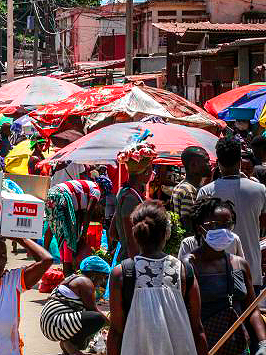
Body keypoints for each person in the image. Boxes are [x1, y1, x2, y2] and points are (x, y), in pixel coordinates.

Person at [107, 200, 208, 355]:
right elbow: (197, 329)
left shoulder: (121, 273)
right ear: (166, 233)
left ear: (136, 234)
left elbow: (115, 332)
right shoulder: (183, 271)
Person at [185, 198, 266, 355]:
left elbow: (251, 309)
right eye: (215, 225)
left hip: (238, 346)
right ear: (199, 227)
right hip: (203, 347)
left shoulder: (240, 264)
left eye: (227, 225)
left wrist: (263, 342)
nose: (223, 230)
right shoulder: (189, 265)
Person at [197, 136, 266, 290]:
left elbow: (200, 230)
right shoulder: (260, 190)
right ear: (240, 161)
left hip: (215, 271)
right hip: (251, 268)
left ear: (219, 163)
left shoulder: (205, 192)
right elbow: (263, 224)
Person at [40, 256, 110, 355]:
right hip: (54, 324)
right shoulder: (85, 282)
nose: (102, 281)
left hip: (49, 323)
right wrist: (113, 325)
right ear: (94, 274)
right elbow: (93, 310)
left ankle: (68, 345)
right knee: (97, 319)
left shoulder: (75, 278)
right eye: (102, 277)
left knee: (91, 321)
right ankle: (70, 345)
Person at [44, 179, 106, 275]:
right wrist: (83, 235)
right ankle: (67, 269)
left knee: (54, 226)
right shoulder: (96, 190)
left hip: (51, 193)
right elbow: (89, 212)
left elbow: (80, 216)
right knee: (69, 235)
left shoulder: (84, 192)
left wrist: (80, 234)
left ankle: (44, 256)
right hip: (62, 195)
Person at [113, 141, 157, 261]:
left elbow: (113, 232)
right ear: (146, 171)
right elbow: (132, 241)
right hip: (133, 262)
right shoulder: (131, 198)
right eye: (152, 168)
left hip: (126, 258)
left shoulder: (123, 192)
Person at [173, 147, 212, 236]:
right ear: (193, 165)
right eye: (206, 161)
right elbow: (189, 227)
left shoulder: (183, 186)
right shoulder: (188, 191)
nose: (209, 164)